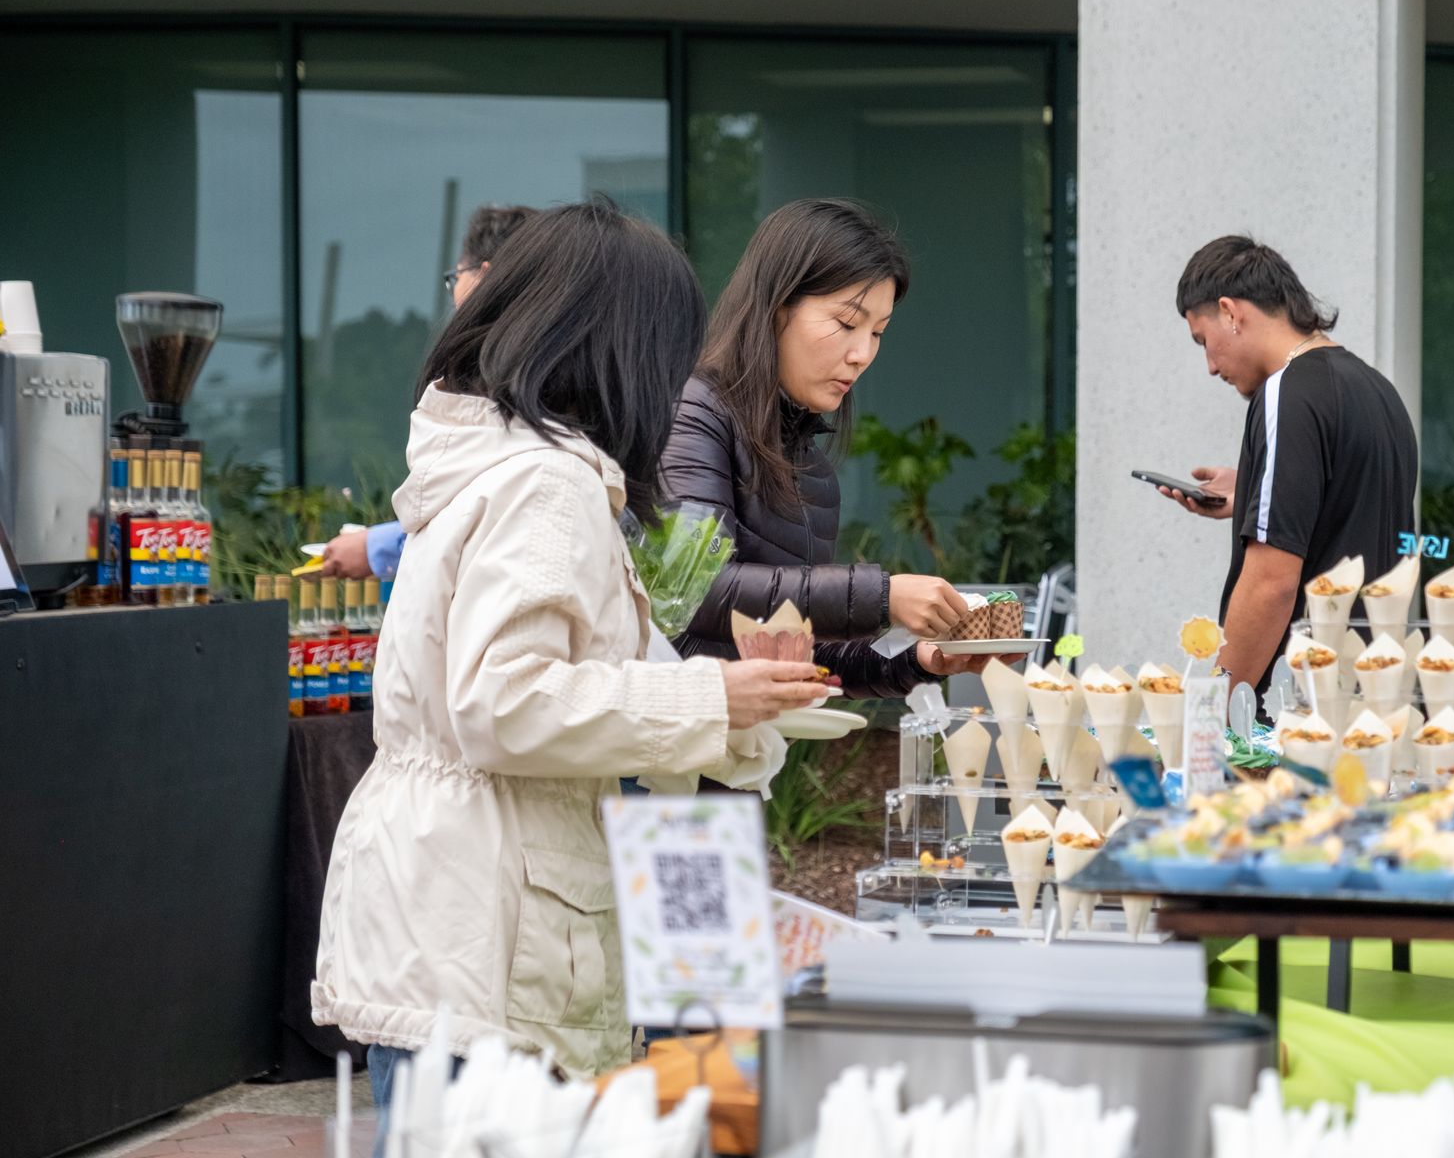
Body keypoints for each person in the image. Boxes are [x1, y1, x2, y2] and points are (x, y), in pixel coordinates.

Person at [311, 200, 827, 1097]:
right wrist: (713, 702)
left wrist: (734, 711)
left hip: (453, 923)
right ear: (624, 347)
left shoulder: (499, 463)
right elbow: (505, 703)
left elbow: (575, 683)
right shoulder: (547, 484)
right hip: (488, 940)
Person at [661, 198, 1007, 696]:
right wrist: (882, 596)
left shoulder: (810, 464)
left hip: (742, 755)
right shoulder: (692, 412)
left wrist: (918, 659)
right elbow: (688, 586)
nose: (862, 353)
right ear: (777, 306)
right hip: (666, 756)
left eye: (878, 333)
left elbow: (803, 649)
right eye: (847, 323)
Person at [1156, 234, 1417, 696]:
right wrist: (1252, 495)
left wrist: (1214, 713)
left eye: (1204, 340)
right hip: (1375, 698)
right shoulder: (1379, 391)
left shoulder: (1286, 392)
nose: (1211, 367)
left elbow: (1272, 583)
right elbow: (1353, 518)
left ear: (1231, 312)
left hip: (1297, 714)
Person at [320, 203, 537, 581]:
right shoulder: (549, 367)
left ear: (484, 277)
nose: (455, 298)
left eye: (456, 277)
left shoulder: (501, 370)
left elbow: (470, 513)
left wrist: (378, 548)